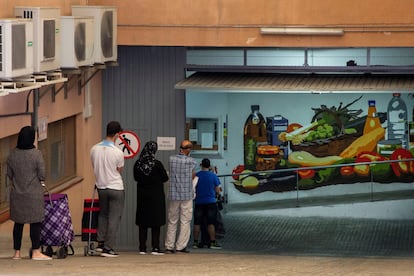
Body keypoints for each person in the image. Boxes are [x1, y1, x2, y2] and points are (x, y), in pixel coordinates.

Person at [6, 126, 52, 260]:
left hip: (17, 194)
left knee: (18, 224)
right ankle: (36, 252)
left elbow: (9, 174)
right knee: (35, 223)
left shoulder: (12, 154)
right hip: (33, 195)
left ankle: (17, 253)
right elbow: (42, 174)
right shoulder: (36, 154)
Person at [90, 121, 125, 257]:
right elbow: (119, 170)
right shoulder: (117, 152)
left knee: (103, 214)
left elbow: (94, 166)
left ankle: (100, 242)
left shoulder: (94, 149)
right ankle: (108, 248)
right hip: (116, 187)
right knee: (114, 217)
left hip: (101, 187)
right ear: (117, 134)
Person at [133, 141, 169, 255]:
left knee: (143, 223)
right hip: (156, 196)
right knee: (156, 223)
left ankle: (142, 248)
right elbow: (165, 178)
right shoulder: (157, 164)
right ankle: (155, 248)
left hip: (142, 196)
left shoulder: (138, 163)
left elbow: (135, 178)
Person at [164, 140, 197, 253]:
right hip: (186, 195)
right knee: (185, 221)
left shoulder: (171, 159)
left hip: (174, 195)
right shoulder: (192, 161)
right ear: (188, 150)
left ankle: (169, 246)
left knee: (172, 221)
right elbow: (193, 175)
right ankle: (180, 246)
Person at [192, 158, 222, 249]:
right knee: (210, 223)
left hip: (199, 202)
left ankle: (195, 243)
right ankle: (212, 242)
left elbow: (193, 187)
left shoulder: (197, 175)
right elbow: (217, 190)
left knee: (197, 223)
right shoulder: (213, 176)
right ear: (209, 166)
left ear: (201, 165)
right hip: (210, 202)